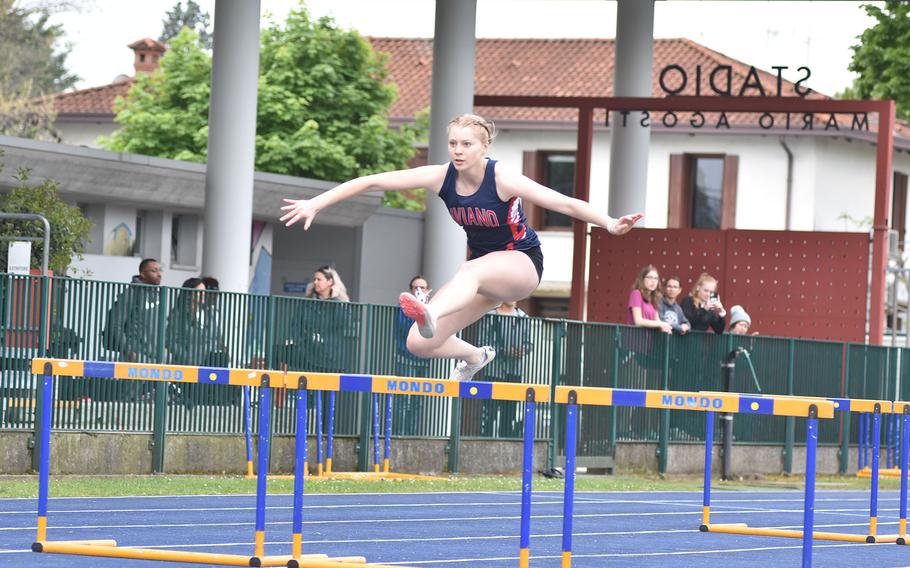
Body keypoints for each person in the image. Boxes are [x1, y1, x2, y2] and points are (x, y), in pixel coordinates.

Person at [280, 113, 641, 381]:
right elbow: (373, 181)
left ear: (485, 147)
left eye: (466, 144)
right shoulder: (441, 177)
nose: (458, 150)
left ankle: (431, 311)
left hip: (521, 265)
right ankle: (474, 355)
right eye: (453, 143)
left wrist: (610, 223)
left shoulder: (502, 178)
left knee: (467, 270)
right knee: (418, 344)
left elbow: (563, 203)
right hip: (484, 275)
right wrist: (317, 203)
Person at [102, 258, 163, 400]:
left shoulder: (159, 294)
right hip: (136, 353)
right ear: (142, 274)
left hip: (154, 353)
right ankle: (121, 417)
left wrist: (163, 347)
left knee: (156, 393)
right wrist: (128, 349)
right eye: (154, 271)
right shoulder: (131, 294)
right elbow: (115, 325)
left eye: (159, 270)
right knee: (129, 395)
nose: (159, 274)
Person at [279, 266, 351, 372]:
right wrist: (300, 342)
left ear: (330, 281)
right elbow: (296, 324)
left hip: (332, 357)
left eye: (319, 279)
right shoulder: (307, 302)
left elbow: (343, 322)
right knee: (277, 351)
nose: (315, 282)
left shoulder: (341, 303)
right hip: (310, 353)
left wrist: (334, 300)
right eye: (314, 279)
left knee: (328, 386)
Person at [627, 265, 672, 334]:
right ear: (642, 279)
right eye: (650, 277)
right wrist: (661, 324)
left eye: (656, 278)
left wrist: (665, 327)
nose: (653, 281)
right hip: (635, 339)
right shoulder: (636, 294)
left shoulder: (655, 298)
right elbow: (638, 321)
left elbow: (657, 320)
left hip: (649, 341)